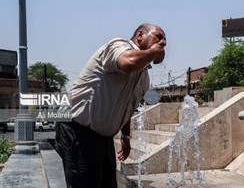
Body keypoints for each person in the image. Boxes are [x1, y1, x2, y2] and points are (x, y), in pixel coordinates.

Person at [55, 23, 166, 188]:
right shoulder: (118, 46)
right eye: (158, 37)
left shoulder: (144, 78)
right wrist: (152, 52)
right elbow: (128, 63)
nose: (163, 43)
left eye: (164, 41)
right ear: (140, 35)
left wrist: (126, 137)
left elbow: (127, 108)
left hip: (103, 137)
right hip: (77, 129)